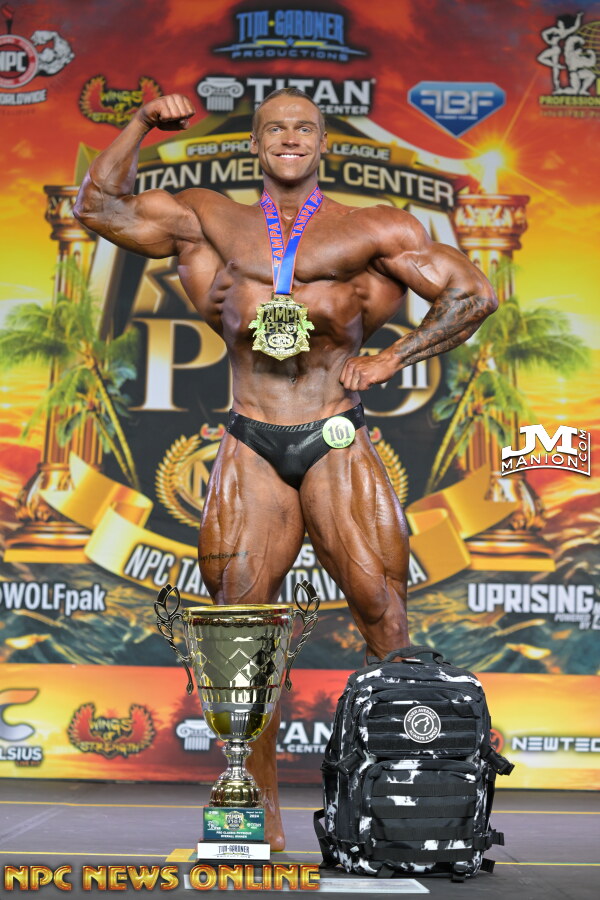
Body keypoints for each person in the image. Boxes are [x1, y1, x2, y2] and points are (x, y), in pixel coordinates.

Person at [74, 89, 497, 849]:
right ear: (256, 144)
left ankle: (395, 816)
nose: (290, 138)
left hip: (334, 434)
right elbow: (98, 208)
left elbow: (473, 294)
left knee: (383, 613)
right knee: (240, 629)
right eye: (275, 128)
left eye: (304, 128)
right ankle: (253, 815)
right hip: (251, 440)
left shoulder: (375, 228)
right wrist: (139, 123)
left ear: (323, 143)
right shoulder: (210, 219)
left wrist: (394, 356)